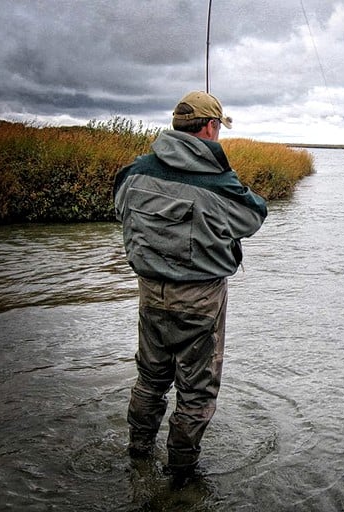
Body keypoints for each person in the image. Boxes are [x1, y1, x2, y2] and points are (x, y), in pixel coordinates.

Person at [113, 91, 267, 478]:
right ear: (211, 127)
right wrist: (224, 176)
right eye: (219, 128)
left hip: (149, 293)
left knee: (150, 380)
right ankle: (181, 477)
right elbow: (253, 217)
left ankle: (138, 455)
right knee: (195, 393)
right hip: (201, 299)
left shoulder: (135, 172)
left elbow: (120, 208)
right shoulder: (218, 184)